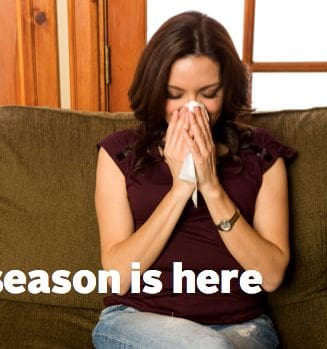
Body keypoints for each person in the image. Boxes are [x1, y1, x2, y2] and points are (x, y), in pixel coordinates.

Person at [92, 11, 296, 349]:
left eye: (207, 93)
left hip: (242, 327)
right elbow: (119, 275)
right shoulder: (119, 154)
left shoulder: (263, 156)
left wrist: (211, 186)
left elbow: (272, 276)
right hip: (137, 321)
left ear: (227, 89)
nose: (191, 108)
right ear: (155, 89)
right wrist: (182, 186)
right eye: (175, 94)